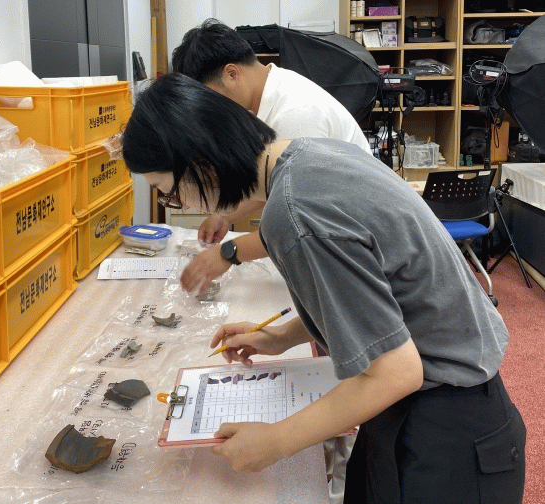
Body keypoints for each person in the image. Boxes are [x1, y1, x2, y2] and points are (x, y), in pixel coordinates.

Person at [122, 73, 526, 504]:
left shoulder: (295, 212)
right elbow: (371, 290)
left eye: (170, 192)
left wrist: (276, 441)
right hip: (430, 401)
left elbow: (396, 372)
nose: (183, 206)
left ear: (201, 164)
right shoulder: (308, 156)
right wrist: (284, 335)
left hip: (448, 426)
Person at [171, 19, 372, 297]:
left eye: (210, 100)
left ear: (231, 74)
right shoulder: (272, 92)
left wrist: (228, 253)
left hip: (358, 243)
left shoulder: (295, 114)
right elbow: (280, 184)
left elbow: (300, 223)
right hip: (335, 228)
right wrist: (225, 216)